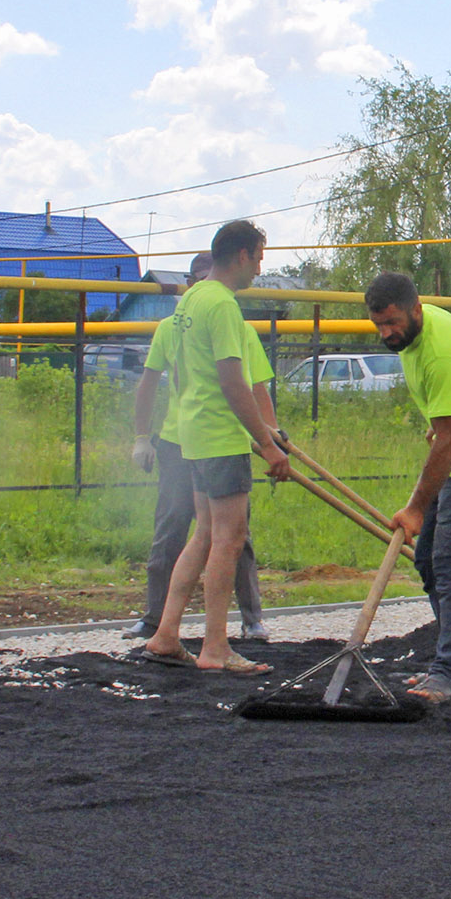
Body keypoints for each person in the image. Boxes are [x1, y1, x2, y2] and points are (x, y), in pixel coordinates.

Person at [143, 220, 292, 674]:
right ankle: (215, 648)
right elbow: (233, 381)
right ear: (243, 255)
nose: (259, 270)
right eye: (259, 259)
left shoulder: (190, 300)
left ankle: (166, 634)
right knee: (229, 539)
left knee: (205, 534)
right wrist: (268, 444)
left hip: (192, 433)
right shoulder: (223, 306)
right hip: (220, 436)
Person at [364, 271, 451, 705]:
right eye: (379, 325)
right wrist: (445, 421)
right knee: (428, 562)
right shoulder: (420, 334)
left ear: (415, 309)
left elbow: (450, 441)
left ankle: (448, 674)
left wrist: (414, 508)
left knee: (449, 565)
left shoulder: (438, 354)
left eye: (393, 323)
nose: (387, 333)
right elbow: (450, 419)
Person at [125, 251, 269, 643]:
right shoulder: (190, 318)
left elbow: (255, 383)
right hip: (194, 439)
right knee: (192, 531)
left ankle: (246, 619)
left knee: (221, 535)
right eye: (257, 258)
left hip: (207, 438)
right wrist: (142, 437)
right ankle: (177, 629)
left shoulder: (218, 316)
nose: (259, 268)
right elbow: (156, 383)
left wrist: (270, 434)